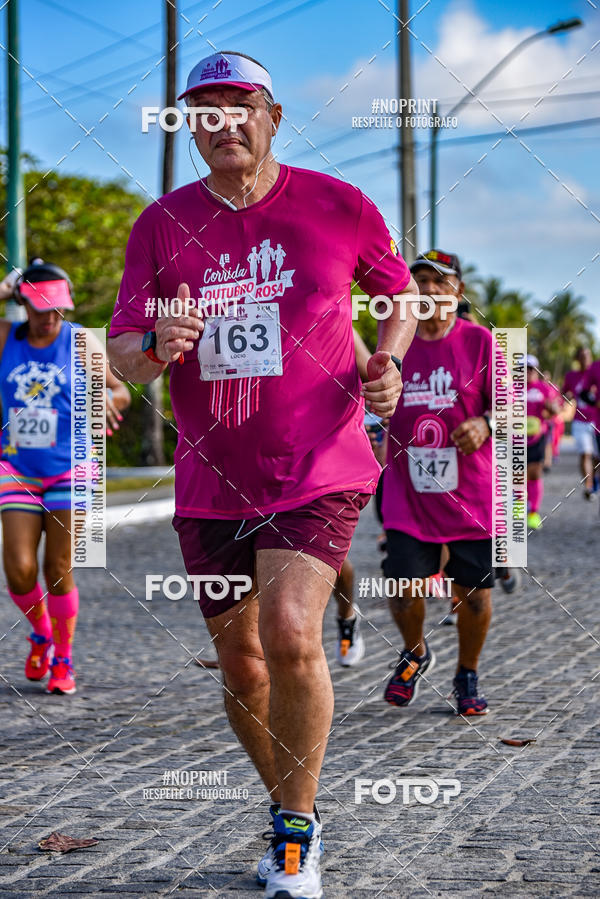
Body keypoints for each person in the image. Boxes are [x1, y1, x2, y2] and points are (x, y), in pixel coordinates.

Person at [107, 50, 419, 899]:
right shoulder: (161, 224)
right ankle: (290, 800)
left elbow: (399, 294)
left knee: (287, 631)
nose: (223, 123)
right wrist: (153, 344)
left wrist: (388, 360)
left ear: (273, 117)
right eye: (203, 110)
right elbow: (124, 349)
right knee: (243, 665)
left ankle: (294, 833)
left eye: (239, 105)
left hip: (319, 461)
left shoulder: (338, 204)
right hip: (212, 476)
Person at [0, 260, 130, 694]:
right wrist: (5, 288)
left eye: (58, 309)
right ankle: (40, 633)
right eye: (41, 308)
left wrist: (108, 399)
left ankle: (63, 657)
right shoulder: (6, 337)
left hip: (73, 466)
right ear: (24, 305)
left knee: (58, 568)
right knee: (19, 570)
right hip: (17, 466)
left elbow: (120, 390)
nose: (51, 318)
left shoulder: (80, 341)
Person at [381, 249, 495, 717]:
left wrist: (486, 423)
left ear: (458, 292)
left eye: (439, 281)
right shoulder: (395, 339)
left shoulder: (482, 342)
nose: (428, 289)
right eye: (420, 280)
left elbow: (513, 407)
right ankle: (415, 652)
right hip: (407, 492)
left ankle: (467, 673)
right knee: (401, 585)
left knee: (475, 595)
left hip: (472, 494)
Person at [526, 356, 560, 529]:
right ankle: (517, 510)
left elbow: (554, 409)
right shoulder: (511, 388)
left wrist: (552, 409)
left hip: (537, 437)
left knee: (534, 473)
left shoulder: (543, 388)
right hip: (515, 438)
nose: (528, 372)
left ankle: (533, 513)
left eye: (531, 368)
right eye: (524, 369)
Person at [563, 347, 599, 499]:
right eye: (582, 356)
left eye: (587, 355)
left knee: (597, 457)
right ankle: (588, 488)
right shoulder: (571, 376)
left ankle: (594, 479)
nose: (585, 358)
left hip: (596, 420)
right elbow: (565, 394)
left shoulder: (596, 372)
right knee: (585, 453)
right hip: (579, 421)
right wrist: (567, 396)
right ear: (577, 359)